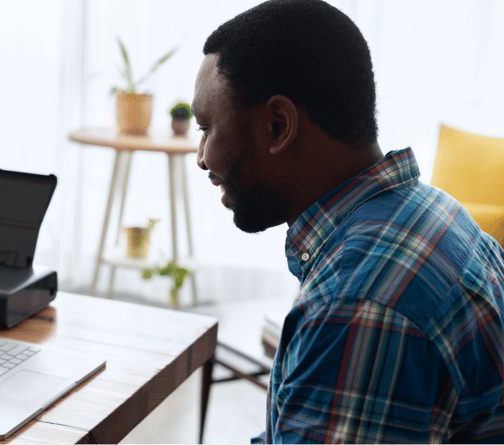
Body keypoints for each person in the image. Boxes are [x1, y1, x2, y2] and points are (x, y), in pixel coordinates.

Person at [192, 0, 504, 443]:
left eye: (207, 128)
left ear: (278, 126)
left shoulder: (358, 302)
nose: (202, 157)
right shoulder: (433, 211)